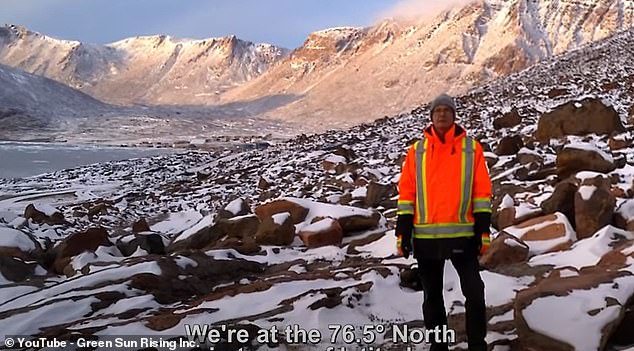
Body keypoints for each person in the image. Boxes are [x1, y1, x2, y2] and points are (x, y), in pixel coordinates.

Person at [395, 93, 492, 351]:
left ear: (454, 115)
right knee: (432, 297)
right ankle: (439, 347)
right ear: (431, 116)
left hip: (463, 236)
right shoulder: (416, 152)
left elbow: (482, 193)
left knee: (474, 291)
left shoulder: (471, 149)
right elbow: (407, 194)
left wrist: (483, 231)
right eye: (437, 110)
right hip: (426, 239)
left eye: (446, 110)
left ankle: (477, 345)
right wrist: (402, 232)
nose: (441, 114)